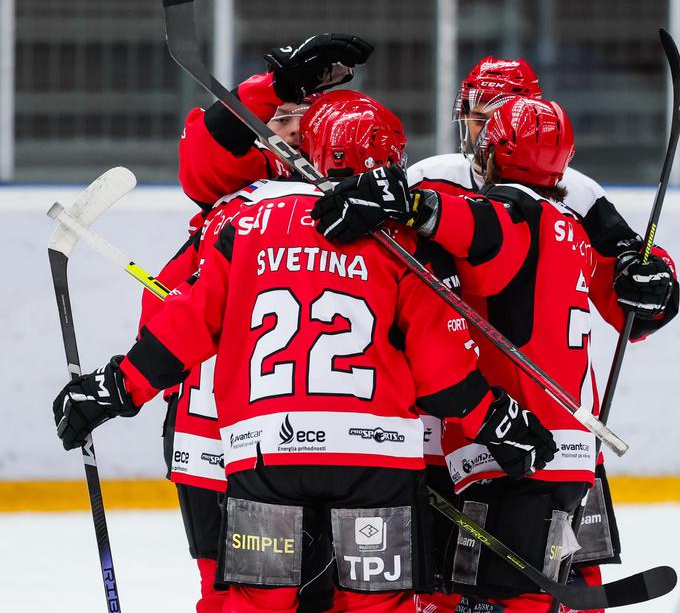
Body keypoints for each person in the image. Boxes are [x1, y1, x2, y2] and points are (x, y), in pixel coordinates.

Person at [53, 90, 557, 613]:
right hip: (374, 459)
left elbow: (186, 322)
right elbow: (441, 370)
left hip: (266, 452)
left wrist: (119, 385)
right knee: (378, 606)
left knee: (255, 603)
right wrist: (495, 418)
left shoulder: (248, 224)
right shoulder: (401, 239)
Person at [313, 55, 679, 612]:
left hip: (530, 410)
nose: (482, 131)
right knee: (444, 578)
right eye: (476, 117)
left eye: (495, 116)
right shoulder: (435, 174)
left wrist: (657, 285)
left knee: (552, 572)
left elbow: (629, 289)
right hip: (448, 414)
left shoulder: (574, 196)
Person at [139, 33, 374, 613]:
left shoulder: (361, 209)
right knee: (229, 595)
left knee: (333, 596)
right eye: (284, 118)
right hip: (216, 435)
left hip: (327, 440)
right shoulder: (236, 198)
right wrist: (271, 90)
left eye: (306, 119)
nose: (294, 130)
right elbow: (203, 155)